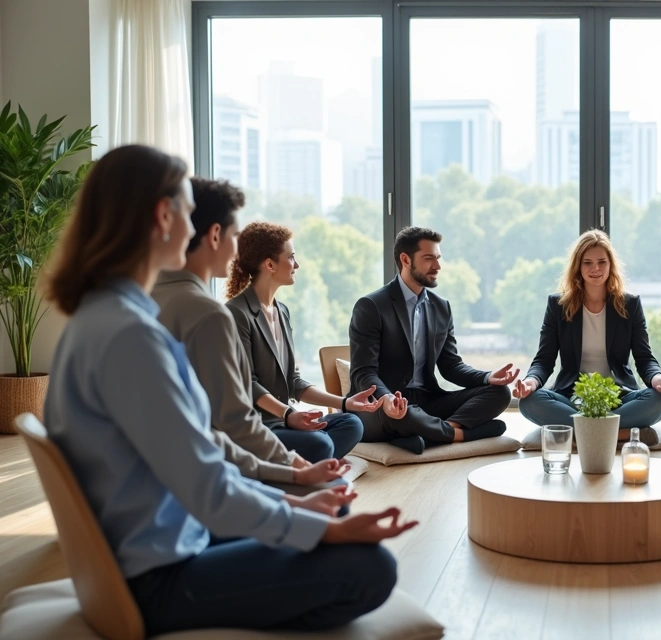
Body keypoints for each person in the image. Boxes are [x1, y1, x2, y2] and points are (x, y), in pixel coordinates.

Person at [42, 144, 416, 635]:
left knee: (331, 519)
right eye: (188, 209)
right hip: (156, 576)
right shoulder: (130, 334)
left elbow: (199, 444)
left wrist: (296, 504)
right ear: (163, 215)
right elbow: (205, 483)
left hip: (163, 536)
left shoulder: (97, 318)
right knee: (371, 568)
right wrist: (319, 526)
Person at [153, 178, 346, 492]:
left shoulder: (139, 298)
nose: (236, 252)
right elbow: (236, 424)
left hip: (171, 476)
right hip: (187, 497)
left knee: (330, 443)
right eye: (234, 235)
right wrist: (296, 470)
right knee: (334, 491)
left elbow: (202, 428)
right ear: (215, 235)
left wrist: (343, 406)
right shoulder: (210, 314)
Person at [349, 226, 517, 454]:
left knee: (500, 393)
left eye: (438, 258)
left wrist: (487, 377)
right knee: (404, 413)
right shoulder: (371, 306)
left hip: (427, 401)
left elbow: (451, 367)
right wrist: (387, 398)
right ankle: (459, 434)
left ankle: (428, 434)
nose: (437, 266)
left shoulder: (441, 307)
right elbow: (363, 373)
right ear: (406, 259)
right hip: (381, 406)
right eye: (429, 259)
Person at [226, 222, 378, 464]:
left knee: (351, 423)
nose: (297, 265)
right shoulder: (236, 314)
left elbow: (294, 382)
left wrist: (345, 402)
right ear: (269, 264)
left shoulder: (282, 311)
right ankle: (306, 465)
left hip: (286, 421)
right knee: (322, 443)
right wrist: (287, 415)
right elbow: (248, 384)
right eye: (291, 257)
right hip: (259, 426)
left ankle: (302, 466)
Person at [513, 230, 661, 443]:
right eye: (587, 263)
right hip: (573, 398)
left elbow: (644, 358)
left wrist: (659, 380)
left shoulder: (630, 305)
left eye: (602, 262)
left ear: (611, 265)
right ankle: (618, 434)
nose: (595, 269)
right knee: (529, 402)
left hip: (619, 397)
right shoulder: (558, 306)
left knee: (660, 401)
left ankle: (582, 433)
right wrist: (530, 383)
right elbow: (544, 360)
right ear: (578, 267)